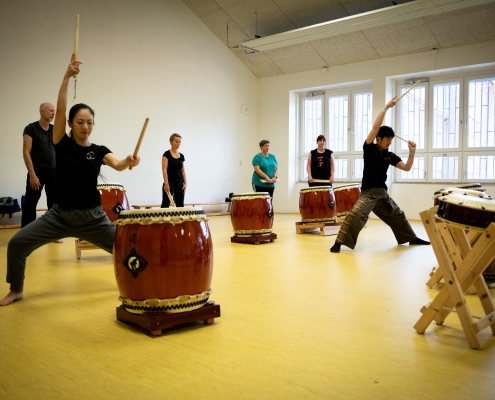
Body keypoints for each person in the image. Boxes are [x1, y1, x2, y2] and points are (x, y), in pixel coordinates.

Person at [0, 54, 140, 306]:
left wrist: (128, 161)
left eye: (89, 122)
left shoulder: (98, 150)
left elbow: (118, 165)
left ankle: (140, 286)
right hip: (59, 216)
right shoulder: (60, 143)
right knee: (17, 244)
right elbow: (61, 107)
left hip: (93, 219)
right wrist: (66, 77)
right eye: (80, 122)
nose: (85, 126)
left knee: (130, 252)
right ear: (70, 124)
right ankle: (17, 289)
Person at [330, 97, 430, 253]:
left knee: (398, 214)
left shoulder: (390, 156)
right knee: (355, 215)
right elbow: (376, 126)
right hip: (368, 193)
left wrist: (412, 152)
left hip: (382, 194)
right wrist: (386, 107)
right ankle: (339, 243)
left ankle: (411, 238)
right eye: (387, 139)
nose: (389, 142)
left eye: (391, 139)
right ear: (378, 139)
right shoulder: (369, 148)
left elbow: (407, 167)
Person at [21, 103, 57, 228]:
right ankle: (26, 234)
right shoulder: (31, 128)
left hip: (53, 171)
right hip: (37, 171)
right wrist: (32, 174)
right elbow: (26, 152)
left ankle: (53, 233)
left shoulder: (54, 130)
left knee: (54, 204)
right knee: (30, 204)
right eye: (51, 111)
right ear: (42, 111)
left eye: (54, 111)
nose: (53, 113)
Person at [161, 133, 187, 208]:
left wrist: (185, 183)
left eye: (179, 142)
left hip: (180, 182)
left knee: (180, 204)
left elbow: (183, 171)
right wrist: (166, 184)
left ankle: (180, 220)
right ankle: (163, 219)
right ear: (171, 142)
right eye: (176, 141)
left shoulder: (181, 156)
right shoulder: (166, 155)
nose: (178, 143)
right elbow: (164, 170)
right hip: (170, 182)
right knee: (166, 203)